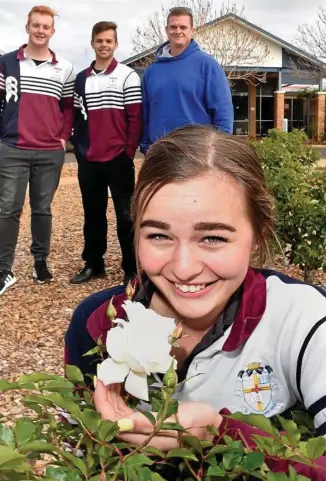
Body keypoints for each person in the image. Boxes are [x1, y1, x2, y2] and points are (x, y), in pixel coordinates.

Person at [65, 125, 326, 478]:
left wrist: (222, 434)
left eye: (213, 238)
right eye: (158, 235)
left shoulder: (304, 320)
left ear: (257, 234)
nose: (184, 268)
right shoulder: (95, 324)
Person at [0, 5, 75, 295]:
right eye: (36, 25)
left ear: (52, 31)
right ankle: (4, 271)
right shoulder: (7, 63)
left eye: (46, 26)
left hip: (48, 152)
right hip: (12, 148)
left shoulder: (64, 68)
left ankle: (40, 262)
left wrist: (62, 138)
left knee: (42, 209)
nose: (40, 30)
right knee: (7, 210)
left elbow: (67, 107)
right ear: (27, 27)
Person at [70, 21, 142, 285]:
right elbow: (76, 117)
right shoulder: (81, 79)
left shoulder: (127, 75)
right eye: (99, 40)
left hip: (118, 159)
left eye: (108, 41)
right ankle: (94, 264)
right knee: (93, 214)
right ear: (92, 43)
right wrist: (78, 148)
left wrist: (128, 151)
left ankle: (131, 269)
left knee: (126, 216)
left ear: (116, 44)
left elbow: (135, 118)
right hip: (89, 160)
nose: (104, 45)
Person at [140, 6, 233, 155]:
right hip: (160, 152)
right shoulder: (152, 71)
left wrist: (220, 151)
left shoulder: (208, 65)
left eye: (183, 27)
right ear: (166, 30)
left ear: (192, 30)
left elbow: (223, 111)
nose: (178, 31)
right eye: (173, 27)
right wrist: (145, 146)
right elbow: (145, 112)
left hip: (196, 153)